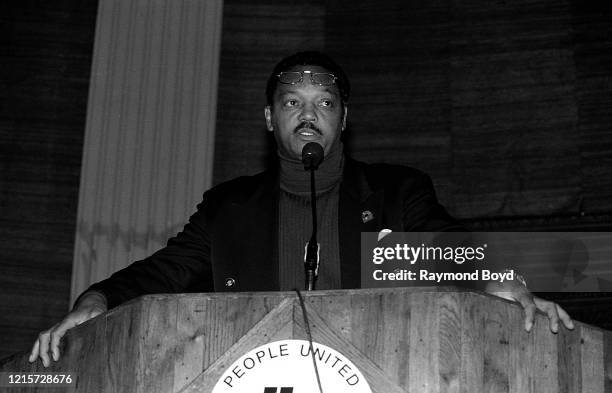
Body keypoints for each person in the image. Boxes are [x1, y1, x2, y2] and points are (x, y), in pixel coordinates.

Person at [29, 51, 574, 367]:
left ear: (343, 118)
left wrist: (506, 286)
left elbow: (452, 251)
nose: (308, 115)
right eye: (293, 102)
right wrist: (96, 302)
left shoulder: (396, 192)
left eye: (324, 104)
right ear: (270, 118)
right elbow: (161, 273)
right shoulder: (229, 208)